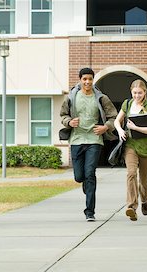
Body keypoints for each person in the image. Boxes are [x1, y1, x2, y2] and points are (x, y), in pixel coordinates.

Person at [60, 67, 117, 222]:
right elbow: (63, 115)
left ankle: (89, 212)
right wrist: (69, 122)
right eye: (84, 79)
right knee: (80, 177)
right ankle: (84, 182)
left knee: (90, 174)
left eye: (90, 79)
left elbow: (114, 116)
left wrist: (105, 127)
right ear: (80, 80)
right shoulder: (71, 97)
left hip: (94, 140)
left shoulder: (101, 98)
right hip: (77, 140)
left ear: (93, 80)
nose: (87, 82)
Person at [113, 79, 147, 221]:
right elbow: (116, 120)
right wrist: (120, 130)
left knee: (143, 180)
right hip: (130, 145)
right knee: (131, 173)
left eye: (140, 93)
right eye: (134, 93)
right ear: (131, 92)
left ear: (145, 92)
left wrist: (136, 128)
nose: (137, 96)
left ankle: (144, 200)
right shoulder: (127, 104)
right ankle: (131, 206)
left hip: (146, 147)